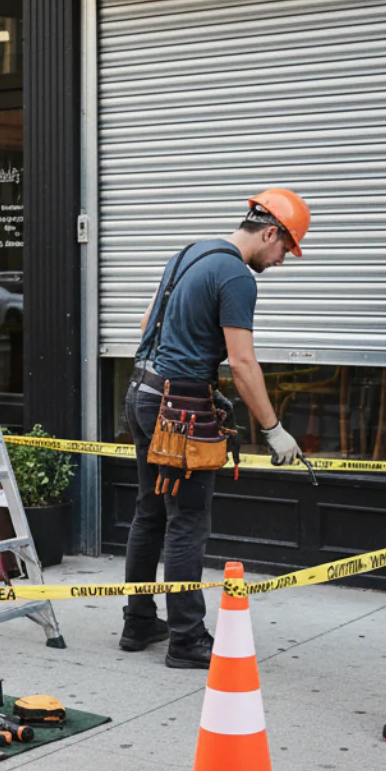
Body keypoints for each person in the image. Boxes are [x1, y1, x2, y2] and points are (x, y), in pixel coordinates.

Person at [121, 188, 312, 668]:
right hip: (179, 412)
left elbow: (147, 324)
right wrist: (272, 428)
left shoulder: (188, 253)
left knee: (151, 513)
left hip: (141, 395)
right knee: (188, 520)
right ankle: (187, 640)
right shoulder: (236, 275)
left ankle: (139, 621)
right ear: (270, 231)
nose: (283, 260)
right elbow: (244, 362)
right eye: (286, 248)